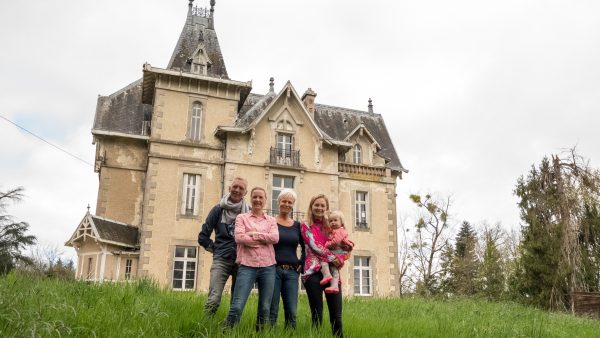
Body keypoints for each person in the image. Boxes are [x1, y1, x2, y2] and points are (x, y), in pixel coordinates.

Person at [225, 187, 279, 330]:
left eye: (261, 197)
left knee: (265, 308)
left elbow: (274, 238)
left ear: (265, 200)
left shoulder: (272, 220)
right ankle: (227, 332)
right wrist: (263, 238)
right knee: (237, 306)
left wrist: (253, 234)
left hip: (268, 267)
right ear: (251, 198)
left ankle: (259, 333)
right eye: (255, 197)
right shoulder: (241, 218)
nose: (257, 200)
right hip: (247, 266)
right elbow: (239, 238)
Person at [197, 177, 249, 316]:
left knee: (236, 303)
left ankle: (231, 331)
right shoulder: (218, 210)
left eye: (241, 188)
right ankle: (205, 327)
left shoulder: (249, 213)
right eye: (235, 186)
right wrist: (215, 250)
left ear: (245, 192)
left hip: (242, 261)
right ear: (229, 188)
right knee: (213, 300)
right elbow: (202, 237)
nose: (237, 190)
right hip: (221, 260)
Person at [301, 194, 345, 337]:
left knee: (337, 316)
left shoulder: (331, 226)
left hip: (332, 273)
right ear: (311, 206)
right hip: (313, 272)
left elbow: (341, 244)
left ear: (326, 208)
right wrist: (333, 257)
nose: (319, 208)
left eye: (322, 205)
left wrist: (343, 254)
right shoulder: (305, 224)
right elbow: (314, 246)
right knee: (317, 314)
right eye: (317, 205)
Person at [269, 188, 305, 329]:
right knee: (272, 309)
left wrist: (301, 264)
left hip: (292, 272)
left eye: (290, 202)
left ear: (293, 204)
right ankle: (270, 333)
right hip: (273, 270)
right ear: (278, 202)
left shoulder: (297, 226)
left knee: (291, 310)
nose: (287, 204)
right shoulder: (271, 222)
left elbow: (305, 247)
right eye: (284, 201)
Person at [320, 210, 354, 294]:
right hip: (336, 255)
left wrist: (326, 245)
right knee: (334, 270)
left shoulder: (341, 231)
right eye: (331, 221)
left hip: (337, 254)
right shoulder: (333, 231)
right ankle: (334, 286)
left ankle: (327, 275)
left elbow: (336, 242)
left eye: (335, 220)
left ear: (341, 222)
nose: (333, 222)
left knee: (323, 261)